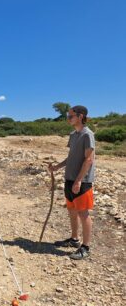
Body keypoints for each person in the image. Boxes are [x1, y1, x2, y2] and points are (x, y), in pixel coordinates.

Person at [49, 105, 95, 260]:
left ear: (80, 116)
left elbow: (89, 160)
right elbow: (71, 157)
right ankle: (74, 239)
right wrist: (57, 167)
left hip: (82, 181)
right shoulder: (73, 135)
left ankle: (86, 247)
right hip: (69, 179)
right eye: (68, 116)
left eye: (71, 116)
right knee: (72, 211)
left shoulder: (88, 135)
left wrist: (79, 180)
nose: (68, 119)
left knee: (83, 213)